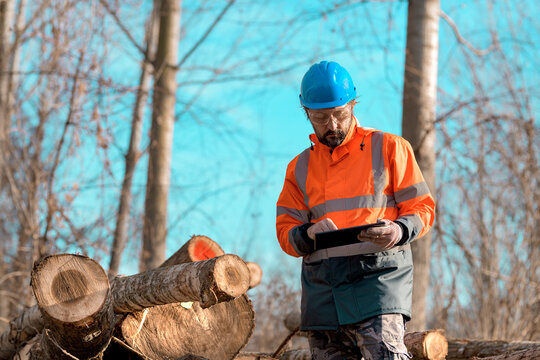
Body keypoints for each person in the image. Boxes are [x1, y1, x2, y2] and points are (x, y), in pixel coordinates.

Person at [276, 60, 436, 360]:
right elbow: (285, 232)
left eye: (340, 114)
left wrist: (399, 230)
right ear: (306, 112)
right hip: (323, 295)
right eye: (321, 117)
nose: (332, 125)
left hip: (379, 283)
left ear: (353, 104)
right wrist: (307, 233)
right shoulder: (298, 168)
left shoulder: (390, 148)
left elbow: (422, 208)